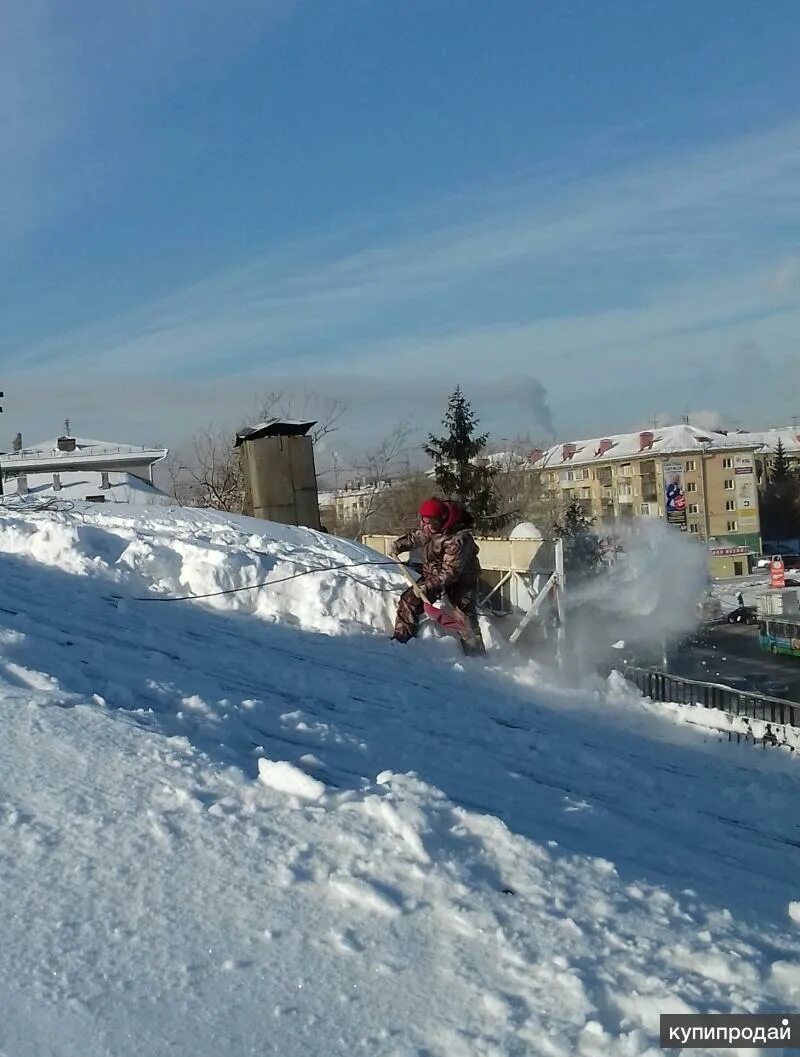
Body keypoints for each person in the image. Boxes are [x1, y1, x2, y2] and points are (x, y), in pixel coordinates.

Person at [389, 497, 485, 656]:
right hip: (434, 574)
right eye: (423, 521)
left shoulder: (458, 539)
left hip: (461, 580)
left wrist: (426, 586)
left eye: (430, 523)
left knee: (464, 620)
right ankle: (402, 642)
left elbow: (450, 573)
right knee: (409, 600)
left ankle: (476, 657)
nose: (425, 527)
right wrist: (398, 545)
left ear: (441, 520)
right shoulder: (431, 529)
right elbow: (417, 537)